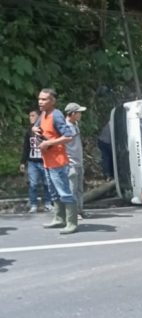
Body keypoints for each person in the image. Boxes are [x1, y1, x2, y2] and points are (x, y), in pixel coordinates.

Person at [33, 88, 78, 234]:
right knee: (54, 193)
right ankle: (59, 219)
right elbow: (36, 126)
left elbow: (68, 136)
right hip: (47, 161)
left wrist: (48, 143)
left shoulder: (56, 115)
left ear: (52, 101)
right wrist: (35, 129)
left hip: (58, 161)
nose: (40, 102)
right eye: (40, 99)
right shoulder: (43, 114)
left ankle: (71, 222)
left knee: (64, 192)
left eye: (44, 99)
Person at [20, 109, 53, 213]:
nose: (31, 118)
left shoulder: (45, 129)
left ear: (39, 117)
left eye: (33, 115)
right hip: (32, 162)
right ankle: (33, 204)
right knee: (33, 184)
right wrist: (22, 162)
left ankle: (48, 203)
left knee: (47, 183)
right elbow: (26, 148)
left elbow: (51, 144)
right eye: (30, 116)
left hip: (44, 160)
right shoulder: (29, 131)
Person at [65, 102, 89, 220]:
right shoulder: (65, 127)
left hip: (79, 161)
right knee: (72, 189)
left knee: (79, 188)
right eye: (79, 112)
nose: (80, 115)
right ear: (73, 113)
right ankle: (72, 213)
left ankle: (80, 209)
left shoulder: (75, 124)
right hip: (71, 163)